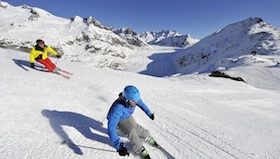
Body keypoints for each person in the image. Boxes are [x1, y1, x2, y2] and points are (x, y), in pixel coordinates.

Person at [107, 85, 157, 159]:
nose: (136, 102)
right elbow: (111, 129)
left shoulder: (134, 99)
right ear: (126, 99)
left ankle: (146, 136)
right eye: (133, 101)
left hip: (127, 116)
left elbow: (142, 104)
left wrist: (149, 113)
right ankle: (139, 149)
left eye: (136, 100)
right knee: (131, 131)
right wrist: (119, 146)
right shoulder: (117, 109)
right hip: (118, 120)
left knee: (136, 127)